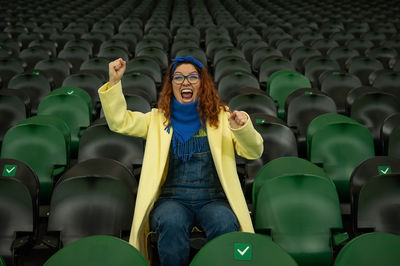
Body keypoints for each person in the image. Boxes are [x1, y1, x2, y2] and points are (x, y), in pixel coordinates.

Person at [98, 56, 263, 266]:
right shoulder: (158, 119)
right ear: (171, 85)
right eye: (178, 78)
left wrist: (241, 128)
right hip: (172, 199)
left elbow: (254, 151)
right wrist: (114, 82)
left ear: (203, 83)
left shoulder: (222, 118)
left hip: (213, 198)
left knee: (225, 222)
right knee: (171, 222)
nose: (186, 82)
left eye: (193, 77)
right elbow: (120, 122)